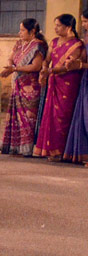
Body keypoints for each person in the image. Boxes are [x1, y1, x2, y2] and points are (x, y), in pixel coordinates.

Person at [33, 14, 85, 159]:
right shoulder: (54, 42)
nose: (55, 28)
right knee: (50, 114)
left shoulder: (77, 44)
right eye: (55, 25)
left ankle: (61, 150)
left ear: (68, 27)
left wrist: (50, 71)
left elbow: (69, 67)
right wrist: (44, 68)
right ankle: (48, 149)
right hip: (53, 81)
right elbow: (47, 59)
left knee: (63, 115)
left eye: (58, 25)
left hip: (68, 83)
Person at [0, 18, 47, 156]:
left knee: (28, 117)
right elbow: (11, 58)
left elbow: (36, 66)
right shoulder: (19, 43)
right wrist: (11, 66)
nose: (19, 33)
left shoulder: (38, 46)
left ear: (32, 32)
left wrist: (15, 69)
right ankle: (15, 146)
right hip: (18, 83)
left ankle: (27, 148)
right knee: (16, 117)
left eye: (22, 30)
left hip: (31, 87)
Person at [61, 9, 88, 165]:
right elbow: (83, 57)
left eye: (85, 21)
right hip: (85, 80)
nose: (83, 25)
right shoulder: (85, 38)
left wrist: (81, 64)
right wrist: (74, 61)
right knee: (82, 118)